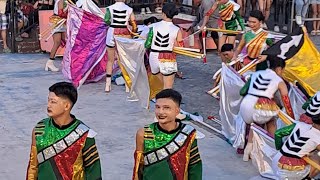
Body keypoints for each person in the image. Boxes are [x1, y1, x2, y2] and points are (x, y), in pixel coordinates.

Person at [26, 82, 102, 179]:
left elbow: (93, 172)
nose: (48, 105)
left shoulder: (85, 135)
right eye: (48, 100)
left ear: (67, 106)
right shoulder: (40, 130)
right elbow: (33, 166)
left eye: (53, 102)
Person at [132, 89, 202, 180]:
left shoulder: (188, 133)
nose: (160, 112)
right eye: (157, 107)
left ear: (177, 111)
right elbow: (138, 169)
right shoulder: (144, 133)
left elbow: (194, 165)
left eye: (166, 108)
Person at [239, 56, 295, 161]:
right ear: (279, 69)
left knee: (256, 122)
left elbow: (242, 91)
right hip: (259, 109)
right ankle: (273, 148)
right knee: (271, 121)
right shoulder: (279, 80)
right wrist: (292, 120)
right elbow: (286, 101)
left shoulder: (255, 74)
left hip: (245, 105)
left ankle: (248, 149)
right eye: (282, 70)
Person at [272, 92, 320, 179]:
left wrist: (282, 148)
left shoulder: (299, 125)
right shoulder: (318, 138)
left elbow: (278, 133)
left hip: (277, 162)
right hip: (293, 171)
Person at [145, 3, 183, 89]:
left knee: (162, 85)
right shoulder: (176, 29)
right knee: (168, 88)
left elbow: (147, 44)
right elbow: (179, 48)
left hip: (153, 58)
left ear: (163, 13)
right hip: (168, 58)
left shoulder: (152, 26)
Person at [104, 0, 137, 92]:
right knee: (125, 60)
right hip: (125, 34)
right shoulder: (129, 9)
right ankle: (127, 85)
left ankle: (108, 85)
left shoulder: (109, 8)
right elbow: (134, 24)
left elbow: (106, 20)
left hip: (112, 32)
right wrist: (133, 34)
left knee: (110, 60)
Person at [44, 0, 67, 72]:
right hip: (57, 22)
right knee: (57, 42)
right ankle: (50, 62)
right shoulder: (60, 1)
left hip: (61, 22)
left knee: (66, 41)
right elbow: (61, 13)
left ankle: (70, 61)